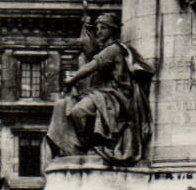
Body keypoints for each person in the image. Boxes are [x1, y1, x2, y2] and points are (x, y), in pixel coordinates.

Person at [46, 13, 154, 166]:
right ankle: (81, 146)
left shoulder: (113, 49)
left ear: (112, 30)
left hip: (118, 95)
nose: (99, 31)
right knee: (64, 106)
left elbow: (91, 66)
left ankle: (98, 143)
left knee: (79, 111)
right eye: (97, 28)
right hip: (106, 93)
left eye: (103, 28)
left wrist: (72, 79)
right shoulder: (107, 49)